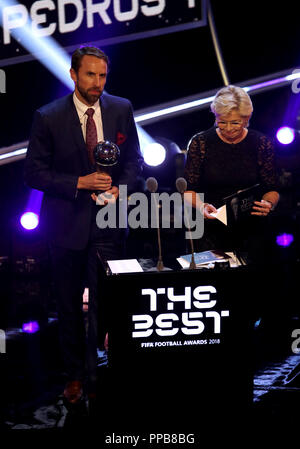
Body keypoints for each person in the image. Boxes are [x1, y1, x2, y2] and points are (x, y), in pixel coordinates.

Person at [24, 46, 143, 409]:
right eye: (90, 75)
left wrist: (119, 191)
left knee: (108, 301)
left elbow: (134, 161)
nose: (97, 83)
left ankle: (104, 371)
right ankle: (75, 376)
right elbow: (34, 173)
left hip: (110, 221)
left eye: (102, 75)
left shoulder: (121, 108)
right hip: (65, 224)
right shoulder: (48, 117)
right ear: (73, 74)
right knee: (70, 305)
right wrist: (80, 182)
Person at [184, 85, 280, 263]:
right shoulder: (201, 143)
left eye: (235, 122)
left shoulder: (261, 143)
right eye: (222, 122)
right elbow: (188, 190)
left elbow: (272, 188)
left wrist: (269, 203)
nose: (228, 128)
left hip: (251, 229)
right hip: (211, 229)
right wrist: (201, 206)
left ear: (246, 118)